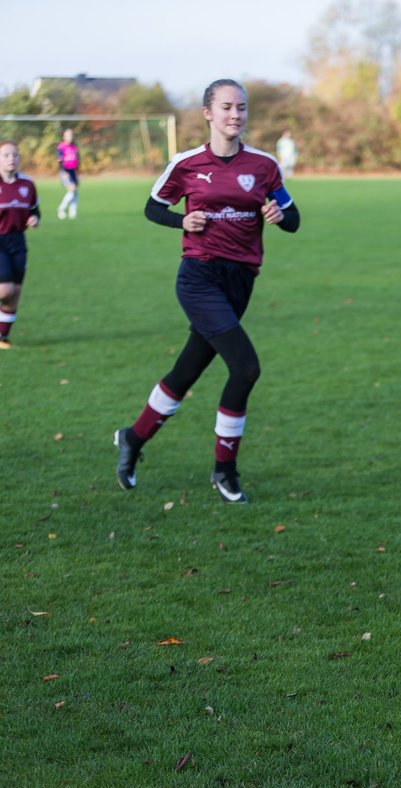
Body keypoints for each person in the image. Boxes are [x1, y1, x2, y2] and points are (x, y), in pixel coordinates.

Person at [113, 79, 300, 503]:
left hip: (240, 281)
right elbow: (152, 207)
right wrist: (183, 221)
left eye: (242, 107)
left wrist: (277, 213)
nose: (236, 115)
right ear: (208, 113)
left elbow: (293, 219)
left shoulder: (265, 166)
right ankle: (224, 471)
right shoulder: (186, 163)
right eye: (228, 107)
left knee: (187, 371)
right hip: (198, 277)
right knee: (245, 368)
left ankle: (132, 438)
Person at [0, 141, 40, 350]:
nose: (11, 158)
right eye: (6, 155)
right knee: (5, 290)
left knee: (14, 293)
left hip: (18, 241)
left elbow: (34, 210)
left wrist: (34, 219)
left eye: (14, 155)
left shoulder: (28, 184)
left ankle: (2, 338)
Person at [56, 129, 79, 220]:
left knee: (75, 192)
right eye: (68, 135)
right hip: (65, 171)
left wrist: (77, 173)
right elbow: (60, 161)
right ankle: (61, 209)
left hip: (73, 171)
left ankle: (72, 212)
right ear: (64, 137)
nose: (70, 137)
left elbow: (76, 161)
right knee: (72, 188)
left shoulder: (74, 147)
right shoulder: (61, 147)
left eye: (71, 135)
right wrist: (64, 172)